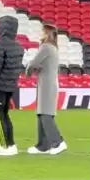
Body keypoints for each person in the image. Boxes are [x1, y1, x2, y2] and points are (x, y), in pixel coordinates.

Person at [0, 15, 24, 157]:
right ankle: (11, 144)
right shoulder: (19, 46)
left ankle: (4, 146)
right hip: (10, 87)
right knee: (5, 115)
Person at [26, 24, 65, 155]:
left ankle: (57, 142)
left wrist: (28, 71)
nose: (39, 34)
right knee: (42, 113)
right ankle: (43, 145)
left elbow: (34, 63)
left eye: (42, 32)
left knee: (45, 114)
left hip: (46, 84)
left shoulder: (45, 47)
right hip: (49, 83)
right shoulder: (53, 48)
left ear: (47, 34)